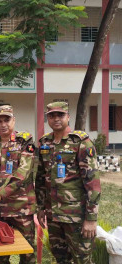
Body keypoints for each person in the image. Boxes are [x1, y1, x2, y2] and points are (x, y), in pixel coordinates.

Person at [35, 101, 101, 264]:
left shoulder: (81, 142)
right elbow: (41, 177)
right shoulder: (45, 143)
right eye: (51, 115)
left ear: (68, 117)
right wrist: (41, 207)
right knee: (61, 258)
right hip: (54, 216)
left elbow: (92, 183)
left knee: (82, 260)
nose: (56, 119)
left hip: (76, 217)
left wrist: (91, 219)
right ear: (47, 118)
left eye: (60, 115)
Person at [0, 105, 37, 264]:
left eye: (7, 120)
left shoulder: (25, 140)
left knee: (28, 254)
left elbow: (22, 174)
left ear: (14, 120)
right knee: (0, 255)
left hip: (21, 207)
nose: (3, 124)